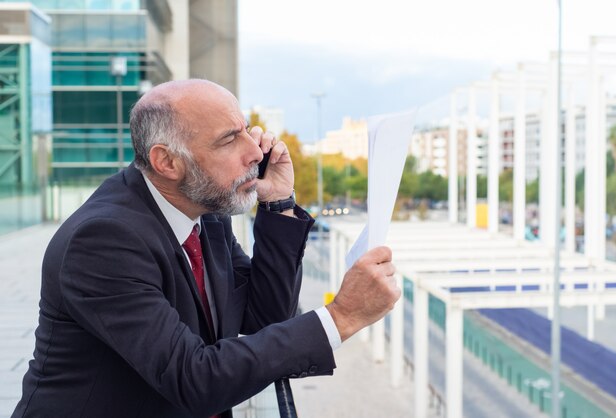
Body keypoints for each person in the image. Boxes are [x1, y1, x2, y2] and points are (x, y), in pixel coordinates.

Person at [12, 79, 400, 418]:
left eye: (247, 129)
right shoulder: (102, 241)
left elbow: (266, 316)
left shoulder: (206, 212)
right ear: (166, 161)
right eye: (230, 139)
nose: (256, 151)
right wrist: (342, 316)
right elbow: (195, 379)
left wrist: (279, 204)